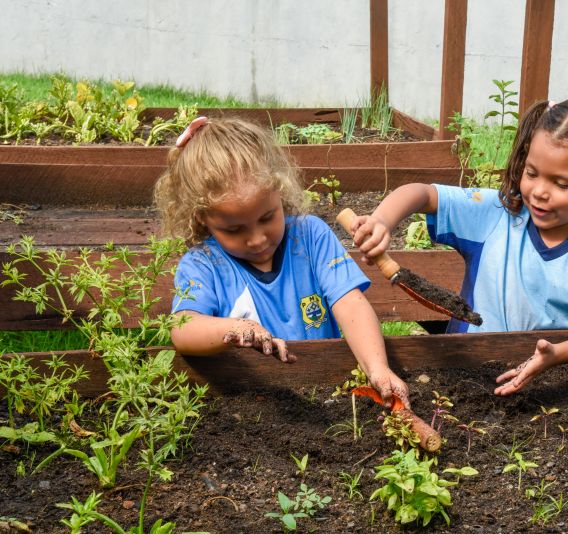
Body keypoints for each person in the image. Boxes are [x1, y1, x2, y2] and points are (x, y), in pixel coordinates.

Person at [348, 98, 568, 396]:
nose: (540, 192)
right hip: (467, 375)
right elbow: (421, 194)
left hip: (554, 385)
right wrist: (382, 221)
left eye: (562, 184)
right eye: (532, 173)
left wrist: (557, 355)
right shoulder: (497, 212)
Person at [154, 117, 409, 407]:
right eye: (234, 230)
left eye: (267, 218)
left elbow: (350, 303)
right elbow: (183, 328)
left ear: (280, 190)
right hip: (252, 402)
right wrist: (234, 329)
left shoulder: (310, 237)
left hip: (327, 390)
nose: (257, 239)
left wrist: (377, 368)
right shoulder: (203, 263)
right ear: (202, 218)